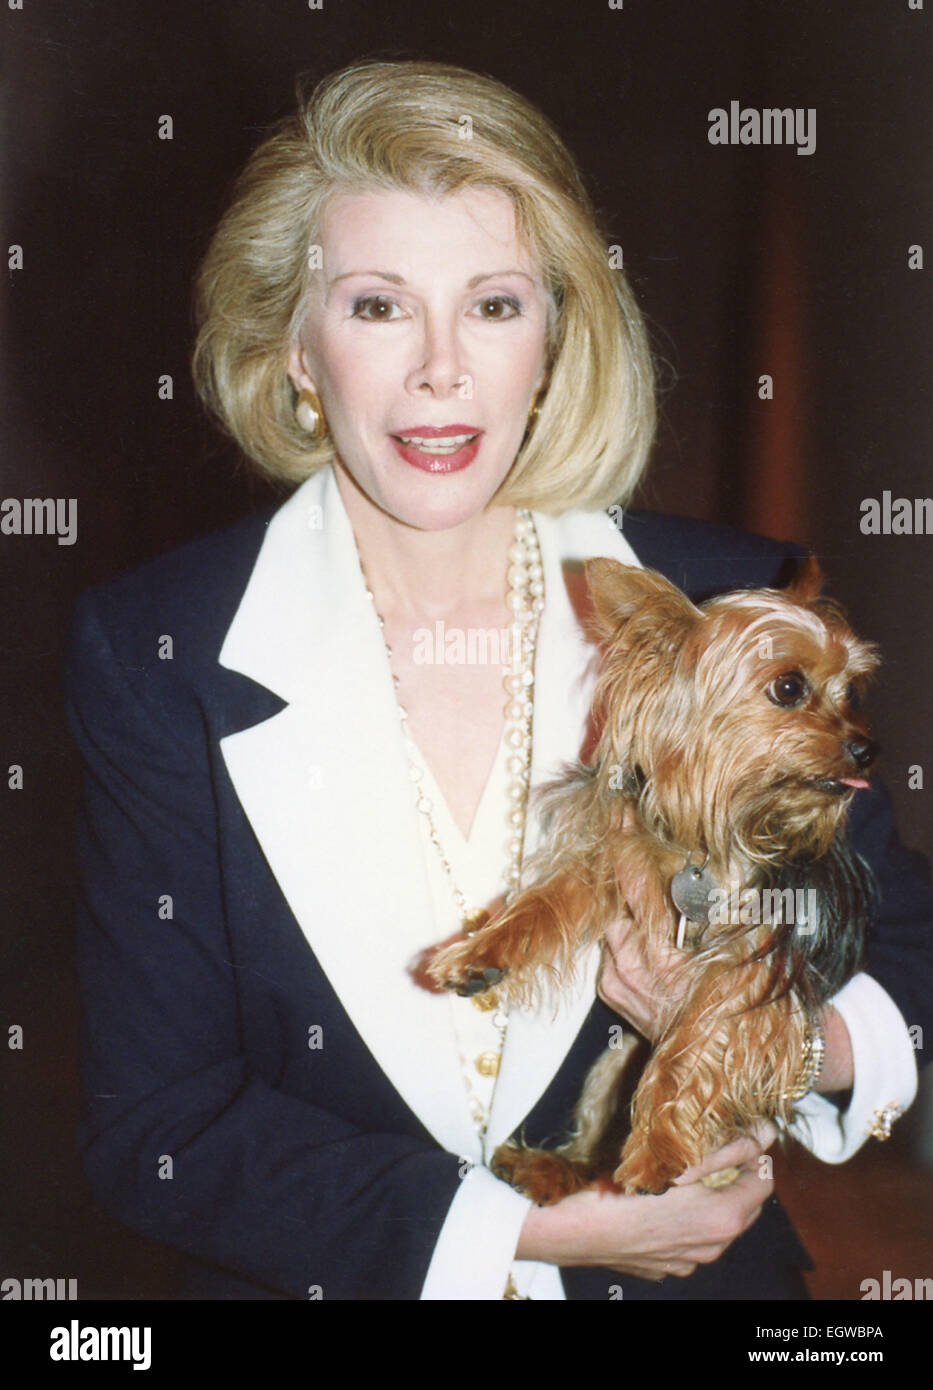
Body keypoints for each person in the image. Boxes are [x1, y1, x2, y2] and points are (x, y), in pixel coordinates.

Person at [64, 59, 932, 1301]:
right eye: (376, 307)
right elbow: (154, 1126)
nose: (439, 370)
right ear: (295, 348)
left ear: (555, 339)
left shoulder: (732, 602)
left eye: (493, 305)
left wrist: (782, 1043)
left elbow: (906, 939)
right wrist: (519, 1233)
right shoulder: (157, 650)